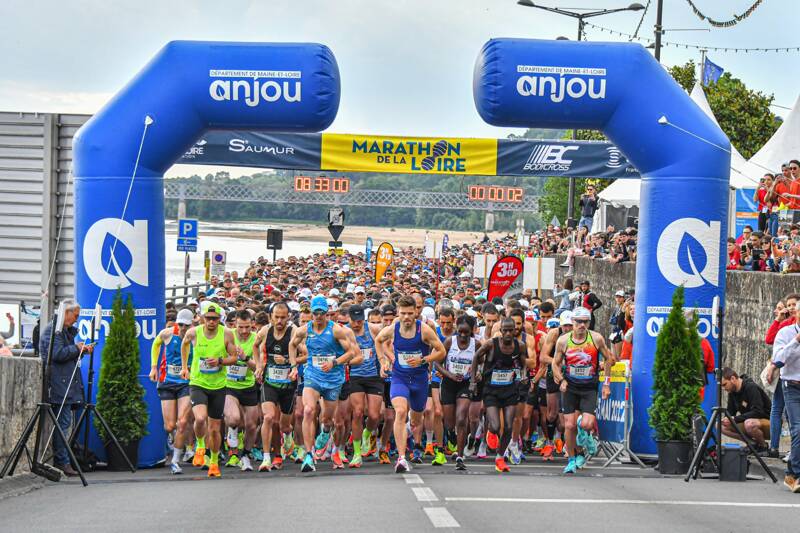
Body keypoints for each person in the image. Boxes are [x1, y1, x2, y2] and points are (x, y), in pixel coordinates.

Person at [374, 295, 445, 473]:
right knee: (400, 411)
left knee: (415, 420)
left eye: (409, 313)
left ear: (416, 312)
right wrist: (384, 361)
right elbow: (378, 340)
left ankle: (406, 431)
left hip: (420, 379)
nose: (406, 317)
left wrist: (424, 359)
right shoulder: (394, 328)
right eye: (403, 313)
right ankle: (401, 457)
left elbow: (441, 351)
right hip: (400, 377)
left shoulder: (425, 330)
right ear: (398, 312)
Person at [289, 295, 356, 473]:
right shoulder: (304, 330)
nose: (319, 316)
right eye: (316, 313)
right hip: (312, 376)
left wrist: (334, 363)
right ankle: (309, 455)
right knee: (309, 410)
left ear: (327, 313)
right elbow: (292, 344)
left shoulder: (336, 331)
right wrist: (293, 366)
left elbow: (350, 353)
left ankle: (325, 432)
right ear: (311, 313)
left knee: (327, 419)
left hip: (333, 379)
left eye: (322, 313)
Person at [180, 301, 239, 478]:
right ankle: (199, 445)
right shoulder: (194, 332)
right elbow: (184, 344)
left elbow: (234, 358)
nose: (211, 322)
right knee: (200, 418)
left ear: (219, 319)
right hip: (198, 382)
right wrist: (185, 367)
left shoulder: (226, 334)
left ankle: (213, 461)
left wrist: (220, 361)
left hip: (219, 385)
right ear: (202, 318)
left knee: (214, 428)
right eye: (208, 318)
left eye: (214, 319)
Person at [552, 307, 614, 474]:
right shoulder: (563, 341)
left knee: (585, 423)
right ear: (572, 322)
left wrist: (606, 384)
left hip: (589, 387)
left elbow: (609, 359)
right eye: (578, 321)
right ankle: (572, 459)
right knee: (569, 425)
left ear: (588, 323)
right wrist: (561, 380)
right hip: (570, 386)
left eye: (585, 322)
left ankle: (584, 431)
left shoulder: (596, 338)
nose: (581, 325)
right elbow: (555, 363)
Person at [39, 299, 91, 477]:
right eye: (75, 316)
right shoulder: (53, 331)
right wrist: (77, 348)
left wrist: (80, 350)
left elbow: (65, 355)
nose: (76, 319)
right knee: (62, 425)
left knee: (65, 424)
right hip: (59, 386)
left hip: (65, 385)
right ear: (66, 313)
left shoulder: (64, 331)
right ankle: (63, 461)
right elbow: (56, 354)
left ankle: (64, 460)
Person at [470, 318, 527, 473]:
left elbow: (523, 364)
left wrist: (523, 375)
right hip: (491, 390)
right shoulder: (491, 344)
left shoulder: (520, 346)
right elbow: (475, 357)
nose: (508, 333)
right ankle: (490, 431)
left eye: (511, 330)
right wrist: (473, 381)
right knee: (495, 426)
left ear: (516, 331)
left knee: (509, 426)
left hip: (510, 389)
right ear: (501, 331)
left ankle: (500, 457)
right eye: (505, 330)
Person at [255, 302, 300, 472]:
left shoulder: (294, 332)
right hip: (270, 382)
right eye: (276, 317)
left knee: (284, 425)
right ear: (271, 317)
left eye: (283, 317)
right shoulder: (265, 331)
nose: (279, 321)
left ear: (288, 317)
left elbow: (306, 354)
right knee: (268, 417)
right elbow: (254, 346)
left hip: (288, 384)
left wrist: (290, 362)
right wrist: (259, 365)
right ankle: (267, 458)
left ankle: (288, 436)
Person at [149, 308, 194, 474]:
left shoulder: (195, 336)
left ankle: (175, 460)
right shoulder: (167, 333)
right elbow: (155, 343)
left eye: (186, 325)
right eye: (180, 324)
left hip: (186, 383)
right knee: (169, 426)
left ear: (192, 324)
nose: (183, 328)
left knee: (182, 422)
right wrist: (154, 367)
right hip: (168, 381)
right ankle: (173, 436)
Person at [436, 314, 478, 471]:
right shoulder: (449, 342)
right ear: (456, 329)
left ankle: (460, 456)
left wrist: (476, 377)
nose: (463, 335)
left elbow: (483, 362)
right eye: (460, 332)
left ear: (472, 331)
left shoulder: (476, 344)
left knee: (462, 418)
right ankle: (452, 435)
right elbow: (437, 363)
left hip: (465, 384)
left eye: (466, 332)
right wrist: (450, 374)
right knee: (449, 423)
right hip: (448, 383)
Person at [347, 304, 386, 468]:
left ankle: (367, 433)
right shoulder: (345, 332)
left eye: (360, 320)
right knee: (357, 413)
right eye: (354, 321)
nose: (357, 324)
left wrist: (384, 361)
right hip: (355, 375)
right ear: (349, 319)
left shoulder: (373, 329)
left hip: (373, 376)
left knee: (375, 415)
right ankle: (357, 454)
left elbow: (387, 337)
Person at [222, 310, 260, 472]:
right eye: (240, 327)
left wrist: (245, 358)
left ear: (252, 324)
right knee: (233, 419)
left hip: (248, 386)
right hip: (229, 385)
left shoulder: (256, 339)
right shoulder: (228, 336)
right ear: (234, 325)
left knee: (252, 425)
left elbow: (258, 368)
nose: (244, 331)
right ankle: (232, 449)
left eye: (247, 327)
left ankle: (245, 454)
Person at [772, 307, 800, 493]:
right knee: (798, 428)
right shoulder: (785, 332)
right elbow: (778, 359)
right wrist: (795, 342)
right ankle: (795, 474)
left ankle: (791, 471)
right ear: (796, 314)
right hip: (792, 386)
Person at [720, 367, 771, 452]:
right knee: (721, 427)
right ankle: (752, 444)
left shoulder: (751, 387)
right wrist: (726, 419)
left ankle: (763, 446)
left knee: (749, 423)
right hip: (750, 423)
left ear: (733, 378)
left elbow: (758, 411)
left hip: (769, 423)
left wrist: (735, 419)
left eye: (725, 384)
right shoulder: (732, 393)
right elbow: (730, 413)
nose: (724, 388)